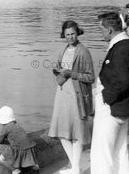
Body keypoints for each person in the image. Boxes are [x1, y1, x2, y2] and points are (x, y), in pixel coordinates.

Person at [91, 12, 129, 174]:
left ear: (110, 29)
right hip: (123, 106)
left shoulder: (121, 49)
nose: (101, 33)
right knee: (120, 151)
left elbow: (122, 81)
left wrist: (104, 97)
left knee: (102, 153)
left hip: (112, 107)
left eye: (101, 30)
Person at [48, 20, 94, 174]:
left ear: (77, 33)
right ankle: (76, 167)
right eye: (67, 35)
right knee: (61, 132)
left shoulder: (83, 51)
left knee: (77, 134)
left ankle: (75, 168)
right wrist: (58, 71)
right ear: (64, 35)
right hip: (62, 95)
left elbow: (90, 77)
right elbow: (60, 68)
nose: (70, 37)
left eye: (73, 34)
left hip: (77, 97)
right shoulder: (63, 50)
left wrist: (70, 73)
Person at [0, 106, 39, 174]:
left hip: (18, 149)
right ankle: (35, 168)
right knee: (30, 165)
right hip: (29, 148)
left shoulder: (5, 128)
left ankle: (15, 171)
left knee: (1, 159)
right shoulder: (16, 124)